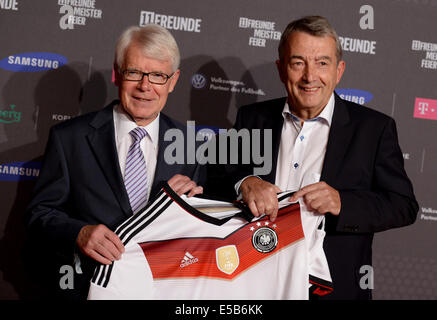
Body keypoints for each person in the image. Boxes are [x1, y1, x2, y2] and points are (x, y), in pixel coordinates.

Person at [212, 16, 418, 299]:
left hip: (332, 288)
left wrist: (342, 202)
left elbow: (403, 205)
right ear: (281, 69)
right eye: (298, 63)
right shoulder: (252, 118)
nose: (310, 76)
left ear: (339, 70)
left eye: (322, 63)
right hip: (253, 281)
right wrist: (245, 182)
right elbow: (217, 175)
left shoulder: (374, 129)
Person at [26, 24, 205, 299]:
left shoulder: (191, 145)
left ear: (173, 81)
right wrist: (79, 233)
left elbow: (202, 235)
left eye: (157, 75)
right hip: (87, 288)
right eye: (134, 72)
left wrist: (192, 208)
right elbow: (40, 215)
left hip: (162, 290)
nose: (145, 86)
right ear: (116, 74)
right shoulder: (70, 138)